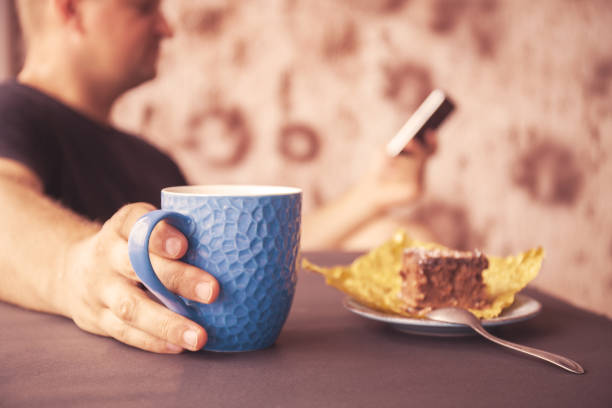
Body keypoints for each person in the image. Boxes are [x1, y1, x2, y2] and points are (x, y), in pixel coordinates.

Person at [0, 0, 435, 354]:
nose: (167, 28)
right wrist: (74, 270)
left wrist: (374, 195)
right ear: (70, 10)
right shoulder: (12, 111)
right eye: (144, 7)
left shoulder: (152, 161)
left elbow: (243, 260)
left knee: (398, 233)